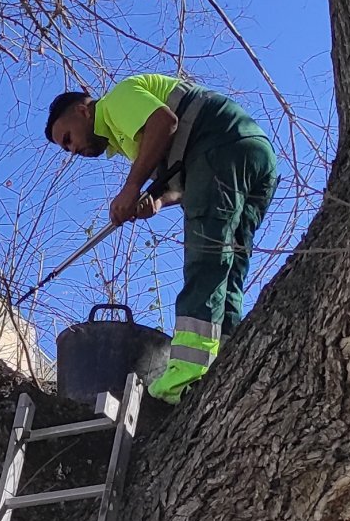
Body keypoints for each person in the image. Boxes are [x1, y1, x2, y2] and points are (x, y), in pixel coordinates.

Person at [44, 74, 278, 405]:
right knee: (229, 262)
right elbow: (187, 175)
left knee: (205, 257)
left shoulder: (114, 103)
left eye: (67, 138)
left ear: (83, 110)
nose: (72, 149)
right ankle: (225, 355)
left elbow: (163, 122)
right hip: (252, 154)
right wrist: (159, 199)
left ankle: (184, 374)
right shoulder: (130, 139)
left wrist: (131, 188)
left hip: (219, 145)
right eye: (66, 147)